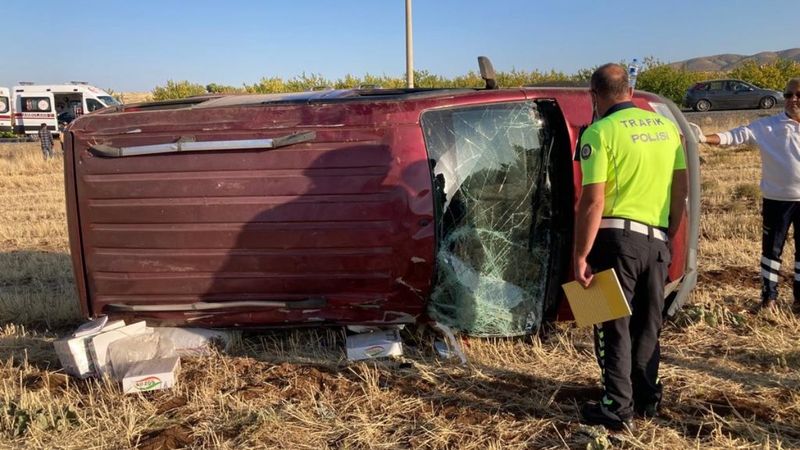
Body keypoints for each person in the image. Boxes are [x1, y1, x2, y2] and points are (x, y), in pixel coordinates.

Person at [574, 63, 688, 431]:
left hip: (612, 240)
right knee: (647, 325)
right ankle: (646, 398)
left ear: (595, 94)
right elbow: (680, 189)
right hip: (656, 241)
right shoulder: (666, 128)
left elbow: (592, 202)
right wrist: (666, 237)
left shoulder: (599, 132)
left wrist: (580, 255)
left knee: (610, 325)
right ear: (630, 91)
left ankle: (615, 407)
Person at [691, 78, 800, 312]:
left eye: (798, 95)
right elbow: (735, 136)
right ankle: (768, 299)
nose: (792, 100)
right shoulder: (768, 126)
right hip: (777, 199)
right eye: (788, 95)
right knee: (771, 251)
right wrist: (704, 138)